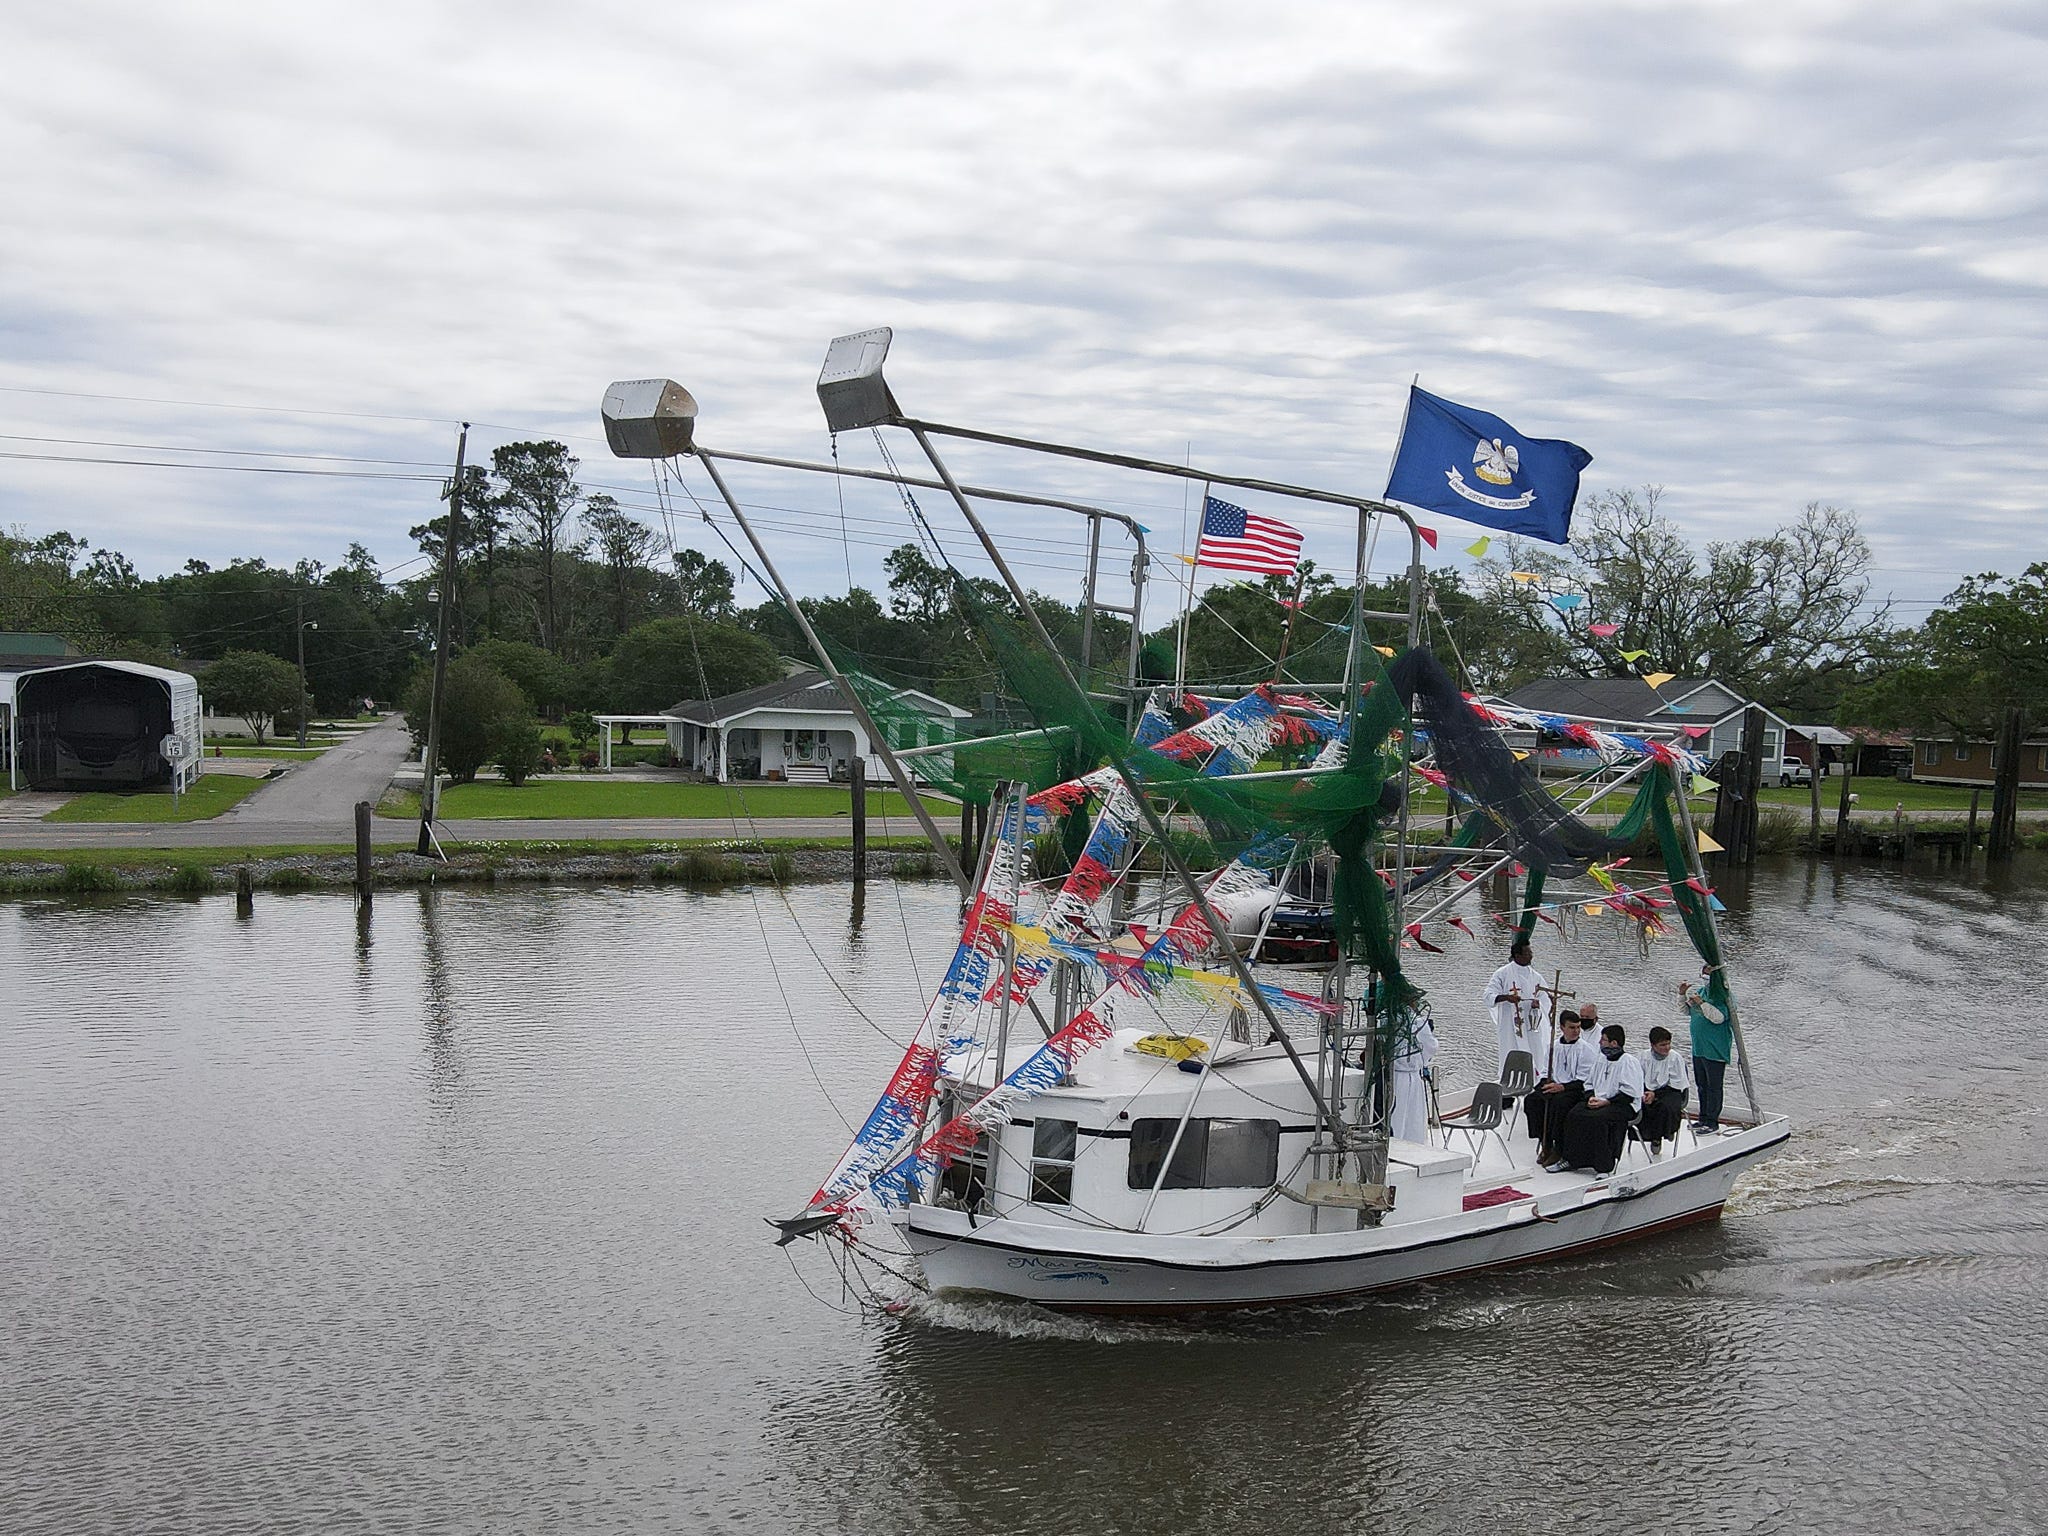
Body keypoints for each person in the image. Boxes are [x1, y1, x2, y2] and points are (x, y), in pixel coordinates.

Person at [1548, 1024, 1644, 1175]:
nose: (1600, 1043)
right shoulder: (1601, 1059)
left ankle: (1603, 1167)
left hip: (1622, 1104)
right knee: (1574, 1114)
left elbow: (1630, 1092)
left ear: (1614, 1043)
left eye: (1603, 1040)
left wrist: (1607, 1102)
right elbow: (1589, 1082)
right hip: (1598, 1100)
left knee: (1598, 1120)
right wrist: (1591, 1096)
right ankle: (1571, 1160)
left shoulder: (1629, 1062)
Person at [1526, 1009, 1596, 1160]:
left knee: (1559, 1103)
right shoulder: (1554, 1046)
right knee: (1532, 1100)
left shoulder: (1585, 1049)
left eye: (1578, 1027)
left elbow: (1584, 1078)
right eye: (1572, 1027)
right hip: (1555, 1085)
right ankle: (1544, 1141)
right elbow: (1546, 1070)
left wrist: (1562, 1087)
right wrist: (1545, 1083)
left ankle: (1558, 1146)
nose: (1576, 1031)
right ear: (1562, 1027)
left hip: (1575, 1088)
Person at [1682, 967, 1734, 1134]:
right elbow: (1685, 1010)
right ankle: (1703, 1118)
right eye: (1704, 974)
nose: (1705, 978)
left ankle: (1712, 1122)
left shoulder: (1723, 997)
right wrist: (1681, 995)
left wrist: (1702, 1003)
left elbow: (1718, 1018)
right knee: (1701, 1085)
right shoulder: (1700, 992)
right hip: (1699, 1049)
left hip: (1715, 1051)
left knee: (1714, 1087)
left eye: (1709, 975)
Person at [1483, 937, 1546, 1075]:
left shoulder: (1536, 976)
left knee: (1534, 1052)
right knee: (1510, 1052)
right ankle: (1509, 1082)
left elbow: (1545, 998)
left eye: (1531, 952)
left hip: (1530, 1025)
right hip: (1510, 1026)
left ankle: (1533, 1082)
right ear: (1517, 956)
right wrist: (1506, 997)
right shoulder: (1502, 974)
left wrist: (1538, 1004)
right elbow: (1488, 996)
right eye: (1527, 953)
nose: (1531, 956)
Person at [1388, 1008, 1439, 1144]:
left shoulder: (1385, 1019)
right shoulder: (1418, 1022)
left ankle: (1394, 1145)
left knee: (1395, 1115)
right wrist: (1422, 1061)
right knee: (1413, 1117)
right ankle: (1413, 1145)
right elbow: (1431, 1046)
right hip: (1411, 1076)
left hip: (1391, 1075)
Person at [1638, 1025, 1690, 1154]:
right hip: (1646, 1090)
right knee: (1641, 1106)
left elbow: (1677, 1082)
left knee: (1664, 1107)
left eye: (1668, 1044)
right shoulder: (1643, 1057)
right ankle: (1647, 1136)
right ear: (1653, 1045)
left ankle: (1661, 1135)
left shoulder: (1675, 1058)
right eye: (1662, 1045)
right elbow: (1637, 1077)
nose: (1666, 1047)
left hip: (1671, 1090)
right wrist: (1645, 1093)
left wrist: (1655, 1094)